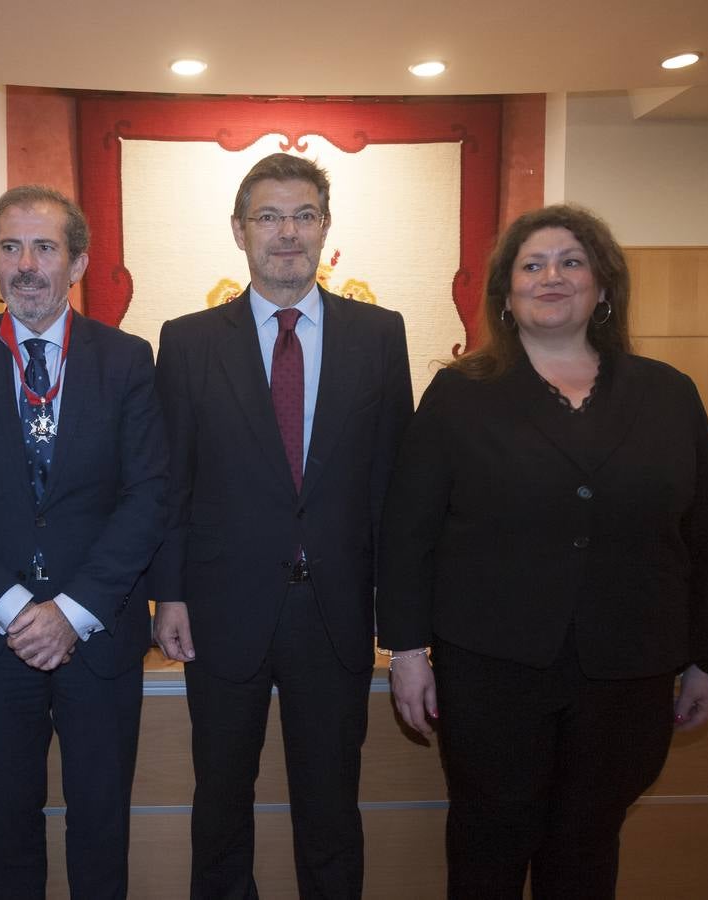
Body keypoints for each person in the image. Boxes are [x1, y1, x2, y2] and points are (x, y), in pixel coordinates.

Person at [376, 204, 708, 898]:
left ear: (603, 287)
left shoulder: (668, 393)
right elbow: (407, 532)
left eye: (571, 262)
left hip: (628, 667)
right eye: (533, 265)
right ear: (507, 296)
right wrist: (408, 652)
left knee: (588, 839)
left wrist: (707, 659)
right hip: (491, 668)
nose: (552, 277)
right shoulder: (460, 395)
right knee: (489, 838)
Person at [151, 153, 414, 898]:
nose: (286, 232)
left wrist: (400, 623)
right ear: (239, 231)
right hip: (222, 611)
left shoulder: (379, 334)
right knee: (222, 805)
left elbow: (395, 489)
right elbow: (173, 483)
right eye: (268, 216)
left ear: (327, 228)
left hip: (335, 614)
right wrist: (168, 594)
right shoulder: (190, 340)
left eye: (303, 215)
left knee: (331, 810)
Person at [0, 185, 167, 899]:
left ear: (79, 261)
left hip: (98, 639)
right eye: (10, 247)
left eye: (45, 247)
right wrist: (12, 607)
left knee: (99, 833)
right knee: (7, 836)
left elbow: (147, 495)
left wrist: (73, 611)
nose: (26, 265)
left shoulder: (125, 359)